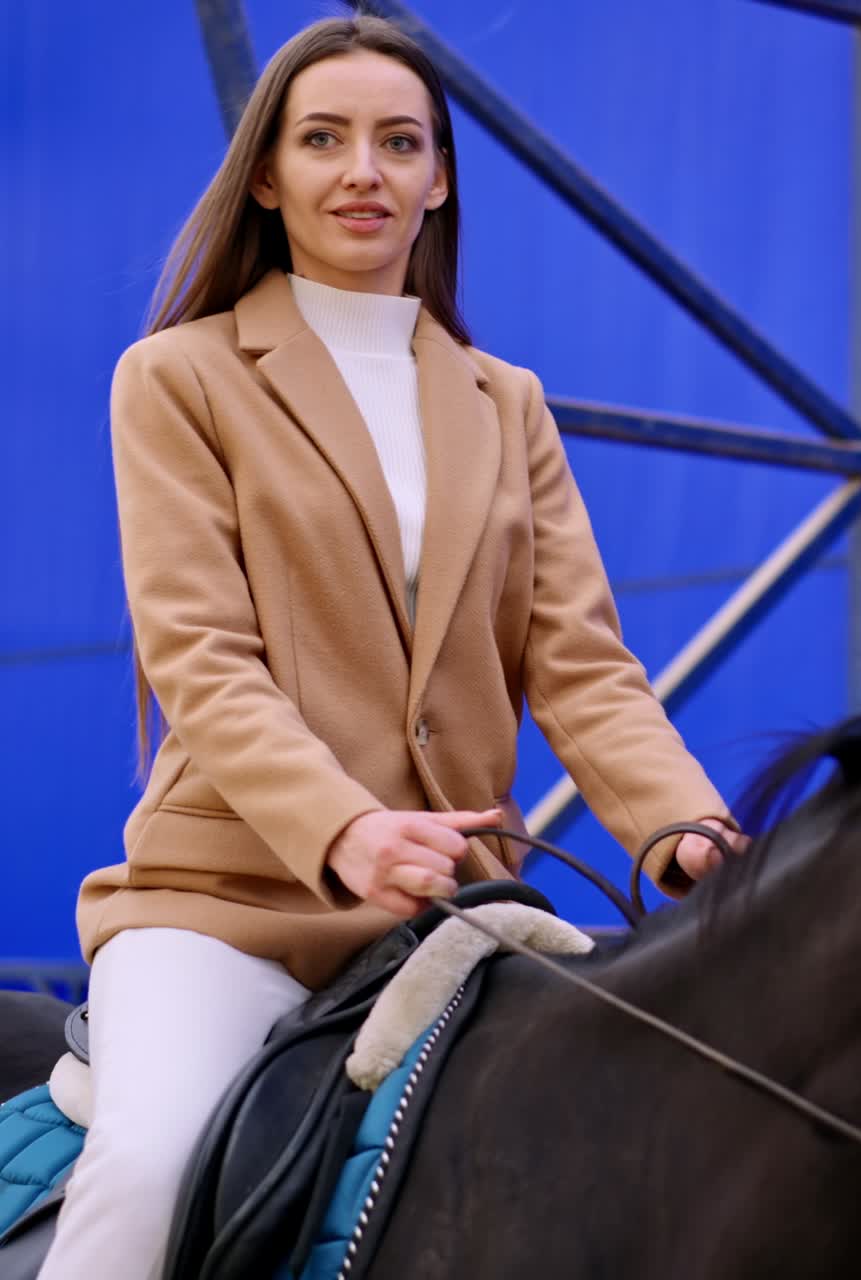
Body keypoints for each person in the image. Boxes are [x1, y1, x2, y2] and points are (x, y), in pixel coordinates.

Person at [38, 15, 739, 1279]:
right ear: (267, 174)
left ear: (440, 177)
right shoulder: (178, 377)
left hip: (455, 912)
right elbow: (201, 659)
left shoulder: (506, 400)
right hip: (227, 909)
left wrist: (682, 829)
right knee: (148, 1165)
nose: (362, 169)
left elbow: (580, 665)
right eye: (323, 139)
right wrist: (348, 827)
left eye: (396, 141)